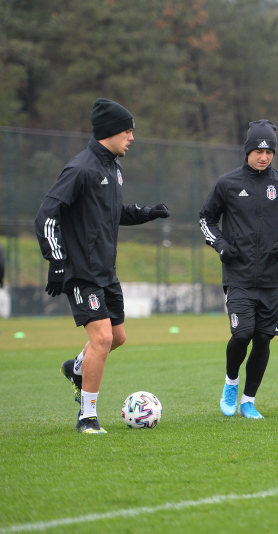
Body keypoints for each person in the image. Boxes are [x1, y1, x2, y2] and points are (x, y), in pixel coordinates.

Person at [34, 98, 170, 434]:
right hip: (80, 272)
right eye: (128, 131)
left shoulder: (113, 168)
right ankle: (87, 417)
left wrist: (146, 213)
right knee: (102, 338)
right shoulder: (80, 169)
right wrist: (57, 263)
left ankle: (76, 368)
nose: (132, 138)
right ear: (110, 132)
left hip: (105, 272)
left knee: (118, 337)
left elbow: (113, 212)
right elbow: (45, 217)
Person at [199, 120, 278, 419]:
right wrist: (220, 245)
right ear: (248, 151)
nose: (264, 156)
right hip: (239, 276)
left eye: (269, 150)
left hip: (273, 278)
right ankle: (231, 382)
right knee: (242, 333)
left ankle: (248, 400)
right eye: (259, 150)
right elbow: (206, 219)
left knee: (262, 338)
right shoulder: (227, 183)